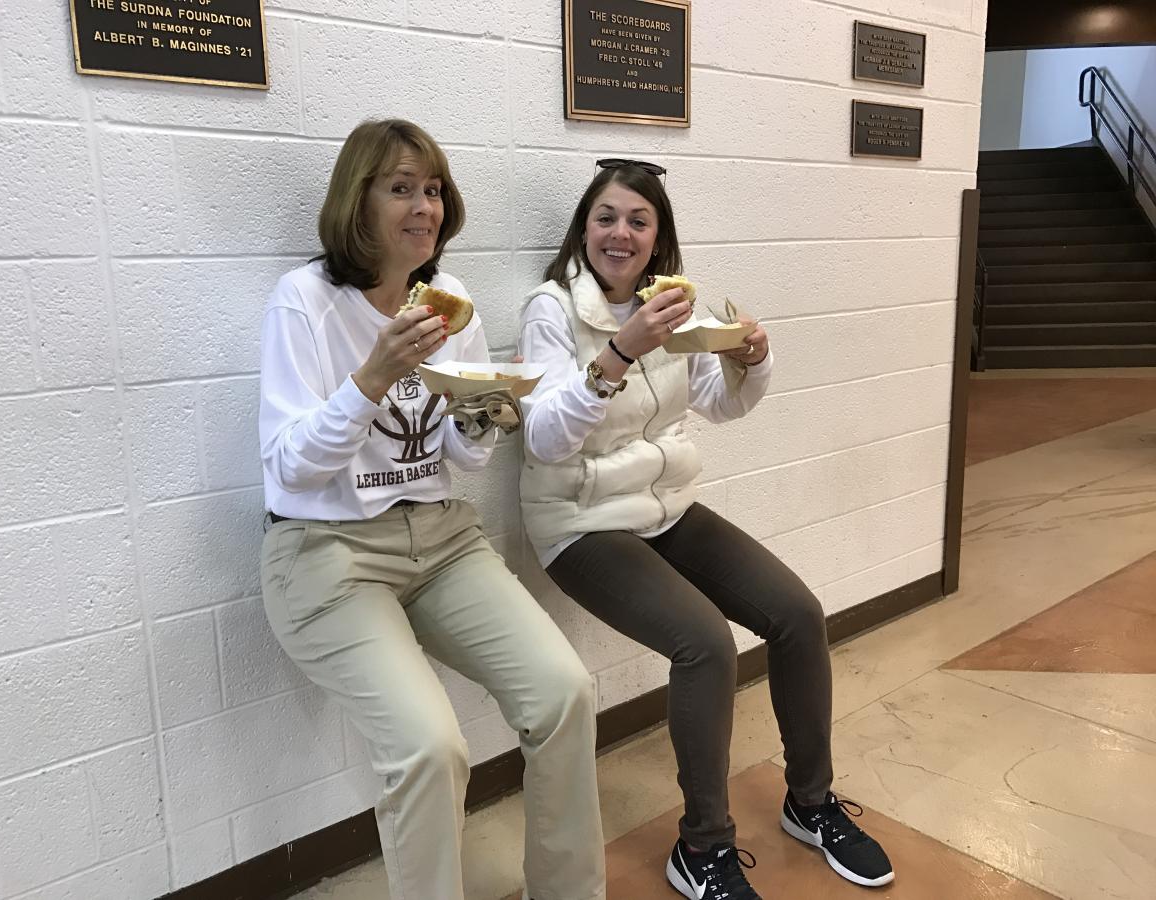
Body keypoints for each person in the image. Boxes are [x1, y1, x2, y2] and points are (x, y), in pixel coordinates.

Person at [517, 159, 894, 900]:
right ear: (584, 228)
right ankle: (703, 847)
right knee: (706, 644)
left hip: (666, 508)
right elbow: (544, 440)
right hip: (581, 521)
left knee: (796, 615)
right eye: (606, 217)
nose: (619, 233)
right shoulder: (551, 309)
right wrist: (619, 350)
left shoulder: (672, 304)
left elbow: (719, 404)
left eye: (638, 221)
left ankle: (810, 802)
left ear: (658, 239)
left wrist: (751, 360)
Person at [258, 118, 605, 900]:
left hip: (442, 538)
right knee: (428, 749)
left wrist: (485, 414)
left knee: (564, 693)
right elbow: (287, 470)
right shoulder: (304, 303)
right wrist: (373, 374)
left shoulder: (452, 305)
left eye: (434, 189)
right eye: (401, 188)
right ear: (359, 202)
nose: (424, 207)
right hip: (327, 553)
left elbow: (459, 459)